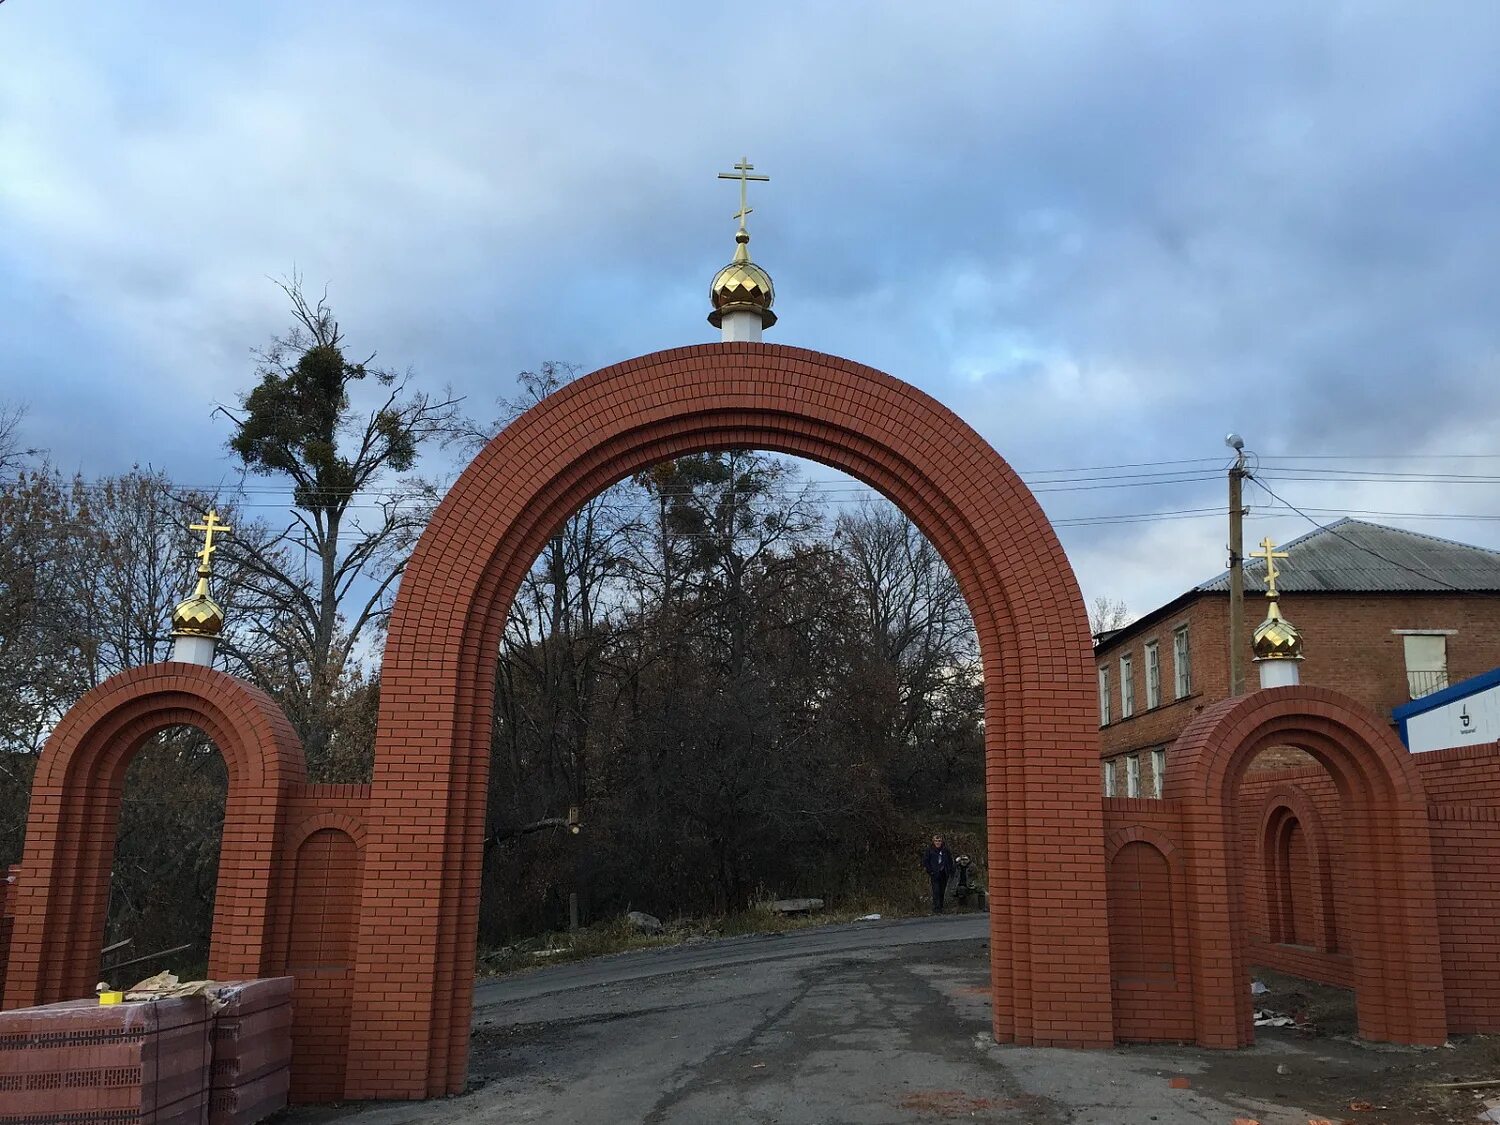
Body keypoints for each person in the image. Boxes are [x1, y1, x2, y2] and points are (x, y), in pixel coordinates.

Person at [922, 833, 956, 914]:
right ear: (933, 842)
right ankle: (936, 908)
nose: (938, 842)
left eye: (939, 841)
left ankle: (941, 906)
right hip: (935, 873)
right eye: (936, 841)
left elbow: (950, 861)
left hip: (944, 873)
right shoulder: (930, 850)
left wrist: (950, 870)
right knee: (936, 890)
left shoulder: (945, 850)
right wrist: (930, 871)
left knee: (942, 891)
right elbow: (926, 861)